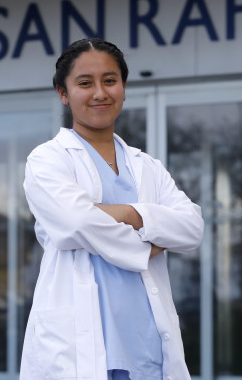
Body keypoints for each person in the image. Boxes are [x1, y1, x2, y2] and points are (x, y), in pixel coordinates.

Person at [20, 38, 204, 380]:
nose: (100, 93)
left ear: (123, 87)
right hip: (79, 349)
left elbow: (192, 226)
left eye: (110, 80)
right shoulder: (48, 160)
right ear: (63, 93)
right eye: (84, 83)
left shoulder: (146, 166)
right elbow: (76, 222)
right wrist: (152, 238)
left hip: (148, 344)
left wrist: (130, 214)